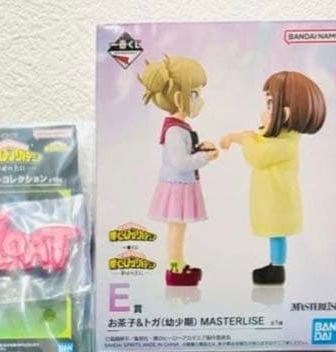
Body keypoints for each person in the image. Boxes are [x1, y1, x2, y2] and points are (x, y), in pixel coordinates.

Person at [220, 70, 326, 285]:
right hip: (271, 200)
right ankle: (274, 266)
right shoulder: (277, 138)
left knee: (277, 234)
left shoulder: (286, 145)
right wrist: (234, 137)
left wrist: (246, 139)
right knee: (274, 234)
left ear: (285, 113)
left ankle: (277, 269)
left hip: (278, 202)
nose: (264, 112)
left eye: (270, 104)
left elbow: (257, 155)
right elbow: (256, 138)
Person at [139, 55, 219, 286]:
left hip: (181, 185)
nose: (199, 100)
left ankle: (179, 265)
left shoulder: (179, 128)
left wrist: (199, 149)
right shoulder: (174, 131)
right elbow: (181, 162)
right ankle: (175, 270)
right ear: (178, 98)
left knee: (179, 229)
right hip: (177, 187)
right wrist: (205, 157)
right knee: (176, 230)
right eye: (194, 94)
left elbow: (184, 155)